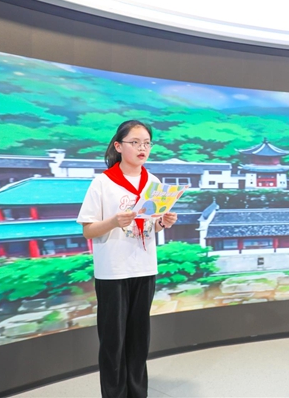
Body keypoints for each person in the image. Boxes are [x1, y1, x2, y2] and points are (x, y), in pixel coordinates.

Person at [77, 120, 177, 398]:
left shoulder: (153, 182)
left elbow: (151, 225)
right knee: (113, 342)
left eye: (147, 143)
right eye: (135, 143)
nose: (142, 148)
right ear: (119, 146)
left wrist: (163, 222)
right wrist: (113, 221)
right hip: (113, 272)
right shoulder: (103, 182)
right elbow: (88, 230)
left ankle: (137, 393)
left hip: (144, 268)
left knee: (139, 340)